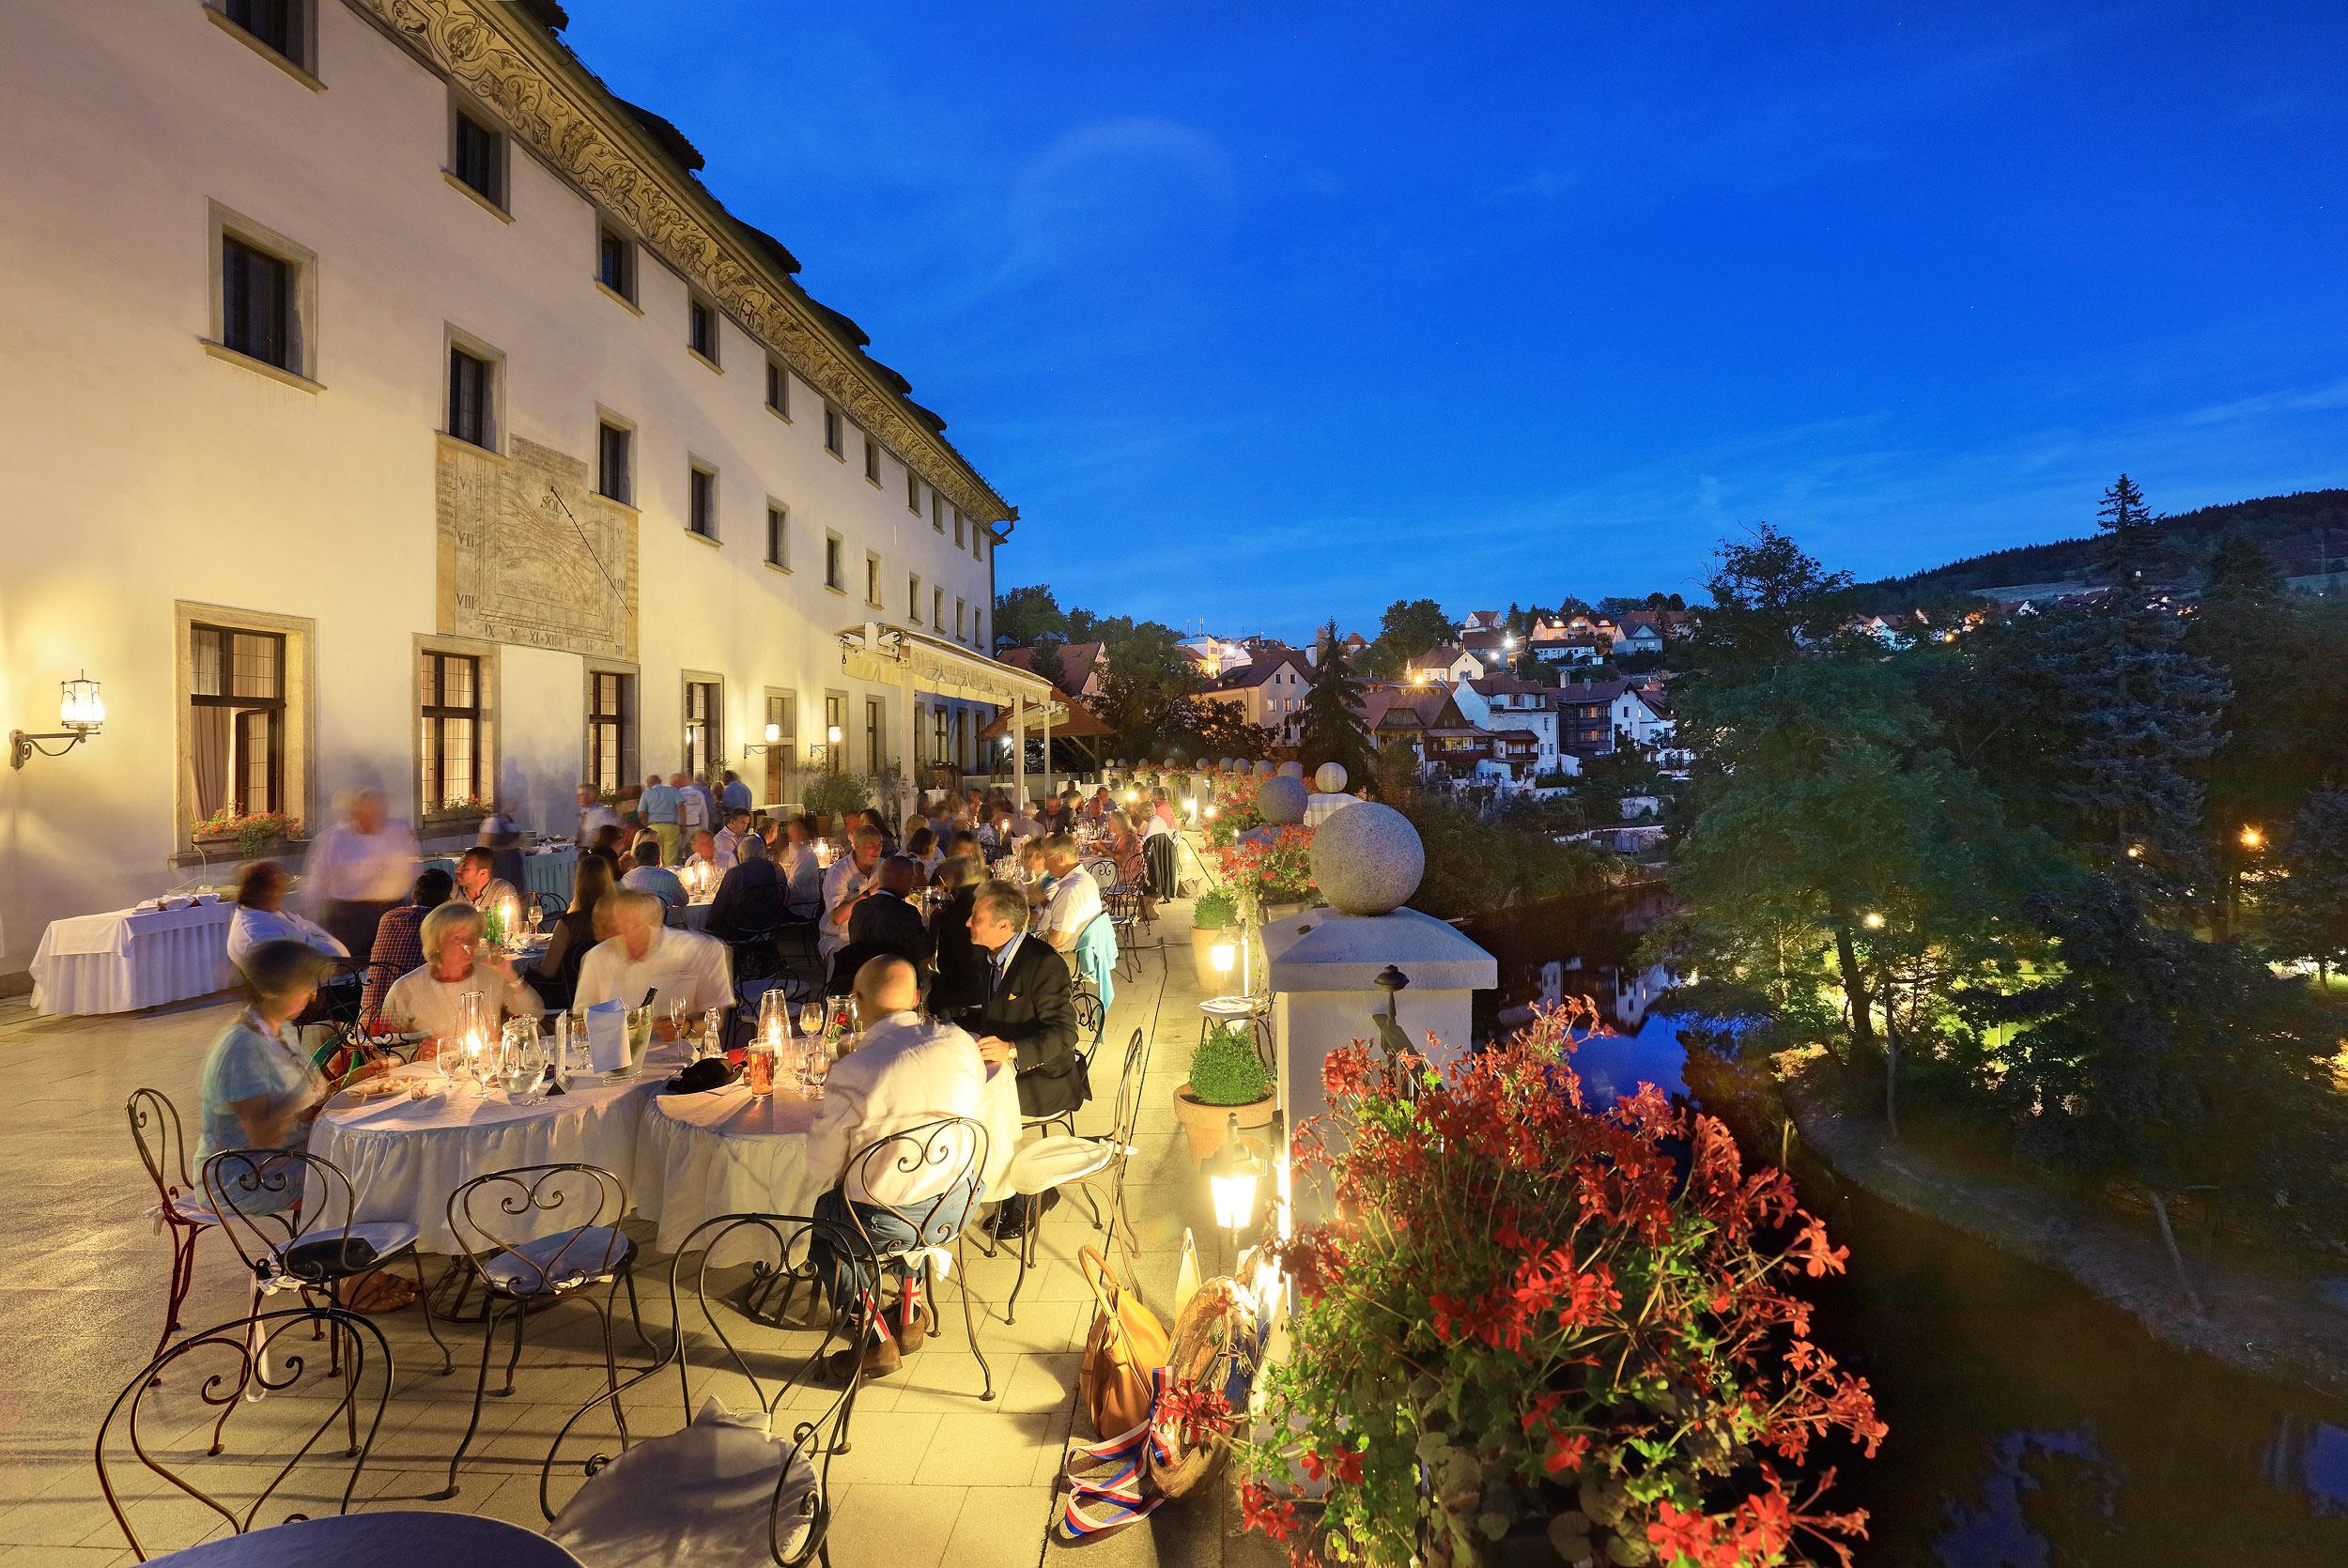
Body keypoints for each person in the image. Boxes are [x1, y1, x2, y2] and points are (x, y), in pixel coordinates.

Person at [804, 955, 988, 1380]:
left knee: (822, 1220)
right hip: (956, 1202)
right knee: (901, 1186)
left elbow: (823, 1164)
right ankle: (908, 1314)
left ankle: (873, 1338)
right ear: (917, 997)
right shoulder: (958, 1040)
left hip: (892, 1222)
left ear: (857, 1002)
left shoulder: (855, 1069)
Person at [965, 880, 1084, 1241]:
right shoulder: (991, 956)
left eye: (976, 917)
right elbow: (994, 1016)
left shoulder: (1043, 964)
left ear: (1005, 926)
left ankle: (1029, 1194)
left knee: (979, 1112)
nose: (968, 923)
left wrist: (1012, 1049)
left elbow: (1066, 1034)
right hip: (1003, 1070)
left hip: (1043, 1077)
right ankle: (982, 1187)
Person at [380, 902, 542, 1048]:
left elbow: (535, 1015)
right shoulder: (406, 989)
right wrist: (417, 1052)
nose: (468, 944)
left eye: (473, 937)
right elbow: (384, 1048)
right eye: (458, 938)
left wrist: (511, 977)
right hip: (435, 1076)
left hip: (487, 1070)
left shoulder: (491, 977)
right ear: (436, 943)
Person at [573, 887, 734, 1022]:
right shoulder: (597, 957)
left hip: (685, 1052)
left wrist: (685, 1027)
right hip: (615, 1056)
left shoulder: (701, 950)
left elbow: (715, 1018)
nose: (618, 938)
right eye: (611, 931)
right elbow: (582, 1018)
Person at [300, 788, 419, 958]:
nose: (373, 818)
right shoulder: (334, 839)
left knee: (389, 963)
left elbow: (412, 867)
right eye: (367, 812)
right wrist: (314, 921)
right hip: (349, 917)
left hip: (393, 911)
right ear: (354, 813)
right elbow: (318, 881)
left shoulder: (399, 831)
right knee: (349, 967)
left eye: (378, 812)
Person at [359, 868, 454, 1033]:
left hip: (367, 1020)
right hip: (406, 1030)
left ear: (415, 894)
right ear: (447, 900)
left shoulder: (388, 917)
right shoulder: (442, 925)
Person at [527, 853, 615, 1010]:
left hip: (573, 1001)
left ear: (579, 883)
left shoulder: (569, 924)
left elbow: (548, 971)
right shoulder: (619, 919)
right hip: (613, 996)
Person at [226, 860, 348, 973]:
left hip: (338, 969)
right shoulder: (258, 934)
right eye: (279, 891)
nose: (281, 896)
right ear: (266, 893)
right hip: (328, 984)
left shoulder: (265, 911)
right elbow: (292, 973)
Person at [832, 854, 934, 991]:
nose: (912, 884)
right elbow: (924, 955)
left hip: (861, 982)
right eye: (911, 878)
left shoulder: (859, 908)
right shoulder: (907, 912)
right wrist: (935, 923)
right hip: (897, 985)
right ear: (900, 880)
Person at [925, 855, 988, 1019]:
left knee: (926, 986)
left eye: (943, 879)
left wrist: (934, 928)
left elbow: (942, 963)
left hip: (966, 990)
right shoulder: (988, 900)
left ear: (953, 880)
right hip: (993, 984)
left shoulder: (956, 913)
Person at [707, 829, 789, 941]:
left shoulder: (735, 874)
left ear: (741, 854)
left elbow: (718, 908)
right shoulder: (777, 869)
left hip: (740, 928)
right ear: (762, 853)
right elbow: (781, 896)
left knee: (710, 927)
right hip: (771, 925)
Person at [820, 825, 884, 964]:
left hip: (874, 935)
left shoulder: (884, 866)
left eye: (879, 844)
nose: (877, 849)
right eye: (870, 845)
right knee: (852, 959)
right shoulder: (839, 872)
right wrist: (872, 891)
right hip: (840, 937)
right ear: (856, 846)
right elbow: (837, 917)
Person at [622, 838, 687, 921]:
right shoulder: (669, 877)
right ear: (658, 860)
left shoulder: (626, 878)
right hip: (663, 928)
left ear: (635, 859)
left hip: (633, 928)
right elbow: (684, 901)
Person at [453, 847, 519, 922]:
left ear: (483, 873)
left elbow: (512, 928)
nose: (457, 870)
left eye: (465, 867)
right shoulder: (450, 891)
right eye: (459, 864)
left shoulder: (502, 891)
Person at [780, 815, 826, 919]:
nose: (789, 838)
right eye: (789, 835)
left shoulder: (806, 856)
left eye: (792, 833)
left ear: (803, 833)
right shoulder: (800, 854)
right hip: (798, 904)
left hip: (801, 910)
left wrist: (775, 893)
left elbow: (794, 887)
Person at [640, 773, 681, 863]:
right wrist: (683, 825)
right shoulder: (673, 791)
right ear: (660, 782)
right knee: (670, 858)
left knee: (654, 855)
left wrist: (648, 826)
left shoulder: (646, 794)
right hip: (671, 827)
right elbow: (681, 808)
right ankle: (668, 873)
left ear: (648, 785)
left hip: (653, 827)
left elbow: (641, 814)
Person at [673, 770, 710, 851]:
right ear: (690, 781)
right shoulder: (699, 794)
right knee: (693, 855)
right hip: (695, 828)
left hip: (679, 829)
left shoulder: (676, 794)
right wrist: (704, 830)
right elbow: (704, 814)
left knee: (678, 856)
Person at [576, 785, 620, 849]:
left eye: (582, 795)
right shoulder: (582, 813)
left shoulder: (603, 813)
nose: (579, 798)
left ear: (591, 795)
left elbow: (612, 833)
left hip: (596, 851)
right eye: (578, 795)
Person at [713, 808, 755, 872]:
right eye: (742, 822)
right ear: (732, 821)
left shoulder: (744, 837)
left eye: (747, 824)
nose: (745, 827)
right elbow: (729, 864)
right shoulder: (721, 840)